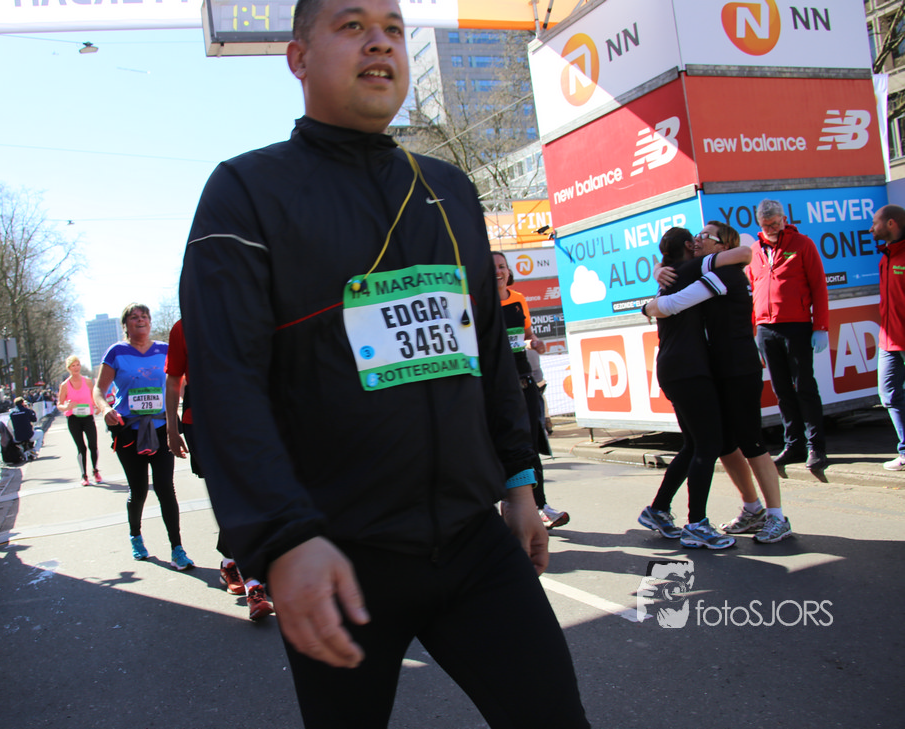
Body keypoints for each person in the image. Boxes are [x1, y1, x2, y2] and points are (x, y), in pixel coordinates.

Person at [179, 1, 590, 726]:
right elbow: (226, 385)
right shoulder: (245, 193)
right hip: (337, 559)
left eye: (394, 29)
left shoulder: (449, 188)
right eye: (352, 26)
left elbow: (487, 353)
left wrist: (519, 481)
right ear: (298, 58)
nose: (380, 42)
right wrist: (284, 540)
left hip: (472, 545)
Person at [645, 224, 793, 544]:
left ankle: (777, 517)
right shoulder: (704, 271)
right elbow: (673, 274)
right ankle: (752, 509)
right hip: (717, 370)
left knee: (751, 442)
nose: (697, 240)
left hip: (739, 369)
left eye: (705, 237)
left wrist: (648, 306)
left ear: (723, 246)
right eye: (696, 236)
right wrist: (658, 270)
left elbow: (672, 303)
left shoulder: (724, 274)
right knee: (722, 444)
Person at [165, 321, 274, 620]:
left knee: (249, 495)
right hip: (200, 424)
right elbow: (173, 379)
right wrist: (172, 429)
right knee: (232, 497)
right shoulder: (183, 327)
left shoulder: (242, 314)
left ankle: (229, 562)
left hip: (243, 418)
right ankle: (254, 584)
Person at [638, 227, 737, 549]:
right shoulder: (690, 269)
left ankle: (658, 510)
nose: (699, 243)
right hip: (688, 369)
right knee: (708, 445)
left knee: (694, 445)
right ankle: (697, 524)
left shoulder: (668, 276)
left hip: (674, 367)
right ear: (686, 245)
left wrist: (658, 269)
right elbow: (743, 254)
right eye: (695, 240)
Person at [94, 304, 194, 570]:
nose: (140, 320)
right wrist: (105, 409)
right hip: (129, 430)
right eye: (134, 317)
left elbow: (180, 383)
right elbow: (99, 390)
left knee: (165, 488)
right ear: (125, 325)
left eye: (144, 317)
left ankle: (177, 549)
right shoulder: (116, 352)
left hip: (162, 428)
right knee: (138, 491)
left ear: (150, 322)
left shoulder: (164, 349)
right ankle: (136, 537)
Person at [749, 199, 830, 471]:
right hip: (766, 329)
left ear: (784, 219)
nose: (771, 228)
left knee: (804, 387)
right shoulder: (755, 251)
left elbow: (819, 287)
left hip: (796, 326)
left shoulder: (803, 244)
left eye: (775, 223)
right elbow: (753, 290)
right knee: (781, 390)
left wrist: (820, 327)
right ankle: (793, 444)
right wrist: (754, 330)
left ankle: (816, 446)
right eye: (765, 225)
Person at [493, 251, 568, 528]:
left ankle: (540, 506)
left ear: (509, 271)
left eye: (502, 266)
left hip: (523, 378)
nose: (498, 272)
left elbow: (526, 335)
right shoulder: (479, 303)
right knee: (501, 446)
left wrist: (535, 342)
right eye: (492, 268)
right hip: (497, 384)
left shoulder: (518, 299)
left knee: (530, 445)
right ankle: (505, 507)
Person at [870, 204, 905, 471]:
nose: (871, 228)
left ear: (891, 223)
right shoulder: (886, 256)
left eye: (875, 223)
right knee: (889, 394)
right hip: (889, 340)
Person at [57, 355, 102, 486]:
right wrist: (66, 407)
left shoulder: (87, 381)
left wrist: (98, 406)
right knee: (81, 447)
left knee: (93, 445)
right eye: (73, 366)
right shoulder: (65, 385)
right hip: (73, 419)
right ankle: (84, 475)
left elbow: (94, 397)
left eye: (77, 365)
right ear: (69, 368)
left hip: (88, 417)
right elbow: (59, 404)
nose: (76, 368)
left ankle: (95, 470)